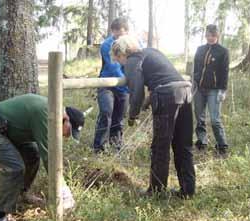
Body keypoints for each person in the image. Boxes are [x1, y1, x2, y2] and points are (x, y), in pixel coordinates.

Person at [0, 94, 85, 221]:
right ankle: (0, 218)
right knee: (15, 168)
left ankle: (21, 193)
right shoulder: (47, 115)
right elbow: (49, 157)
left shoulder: (53, 113)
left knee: (33, 155)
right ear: (66, 119)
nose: (67, 136)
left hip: (7, 129)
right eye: (69, 131)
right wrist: (64, 191)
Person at [111, 35, 195, 198]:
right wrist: (145, 104)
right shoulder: (151, 52)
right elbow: (161, 79)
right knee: (183, 145)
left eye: (118, 59)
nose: (120, 64)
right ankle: (188, 190)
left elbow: (136, 92)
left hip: (167, 96)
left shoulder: (132, 61)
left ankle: (156, 191)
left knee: (160, 147)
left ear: (122, 53)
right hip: (185, 92)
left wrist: (132, 115)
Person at [93, 17, 129, 153]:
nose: (119, 36)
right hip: (107, 84)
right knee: (106, 113)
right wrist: (127, 82)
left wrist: (129, 84)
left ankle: (116, 147)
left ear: (126, 32)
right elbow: (113, 66)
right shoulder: (107, 45)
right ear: (112, 31)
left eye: (122, 33)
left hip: (124, 87)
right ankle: (99, 148)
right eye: (116, 33)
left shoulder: (130, 44)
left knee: (119, 118)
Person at [193, 24, 229, 155]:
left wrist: (223, 90)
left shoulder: (223, 51)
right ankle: (201, 142)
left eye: (213, 35)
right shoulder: (200, 49)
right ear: (205, 35)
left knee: (214, 119)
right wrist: (194, 82)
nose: (210, 38)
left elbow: (225, 72)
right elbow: (196, 68)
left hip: (214, 90)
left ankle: (222, 145)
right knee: (199, 117)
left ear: (217, 36)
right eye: (208, 35)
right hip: (199, 89)